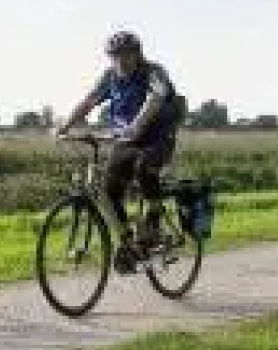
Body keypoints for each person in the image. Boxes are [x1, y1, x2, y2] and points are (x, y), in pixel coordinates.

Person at [54, 31, 187, 273]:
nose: (120, 61)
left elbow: (154, 101)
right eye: (114, 56)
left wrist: (135, 127)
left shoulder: (154, 72)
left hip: (158, 137)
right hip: (126, 138)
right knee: (108, 191)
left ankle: (154, 224)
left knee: (145, 169)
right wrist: (66, 125)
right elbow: (89, 101)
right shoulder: (110, 77)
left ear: (137, 54)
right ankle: (127, 243)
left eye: (126, 55)